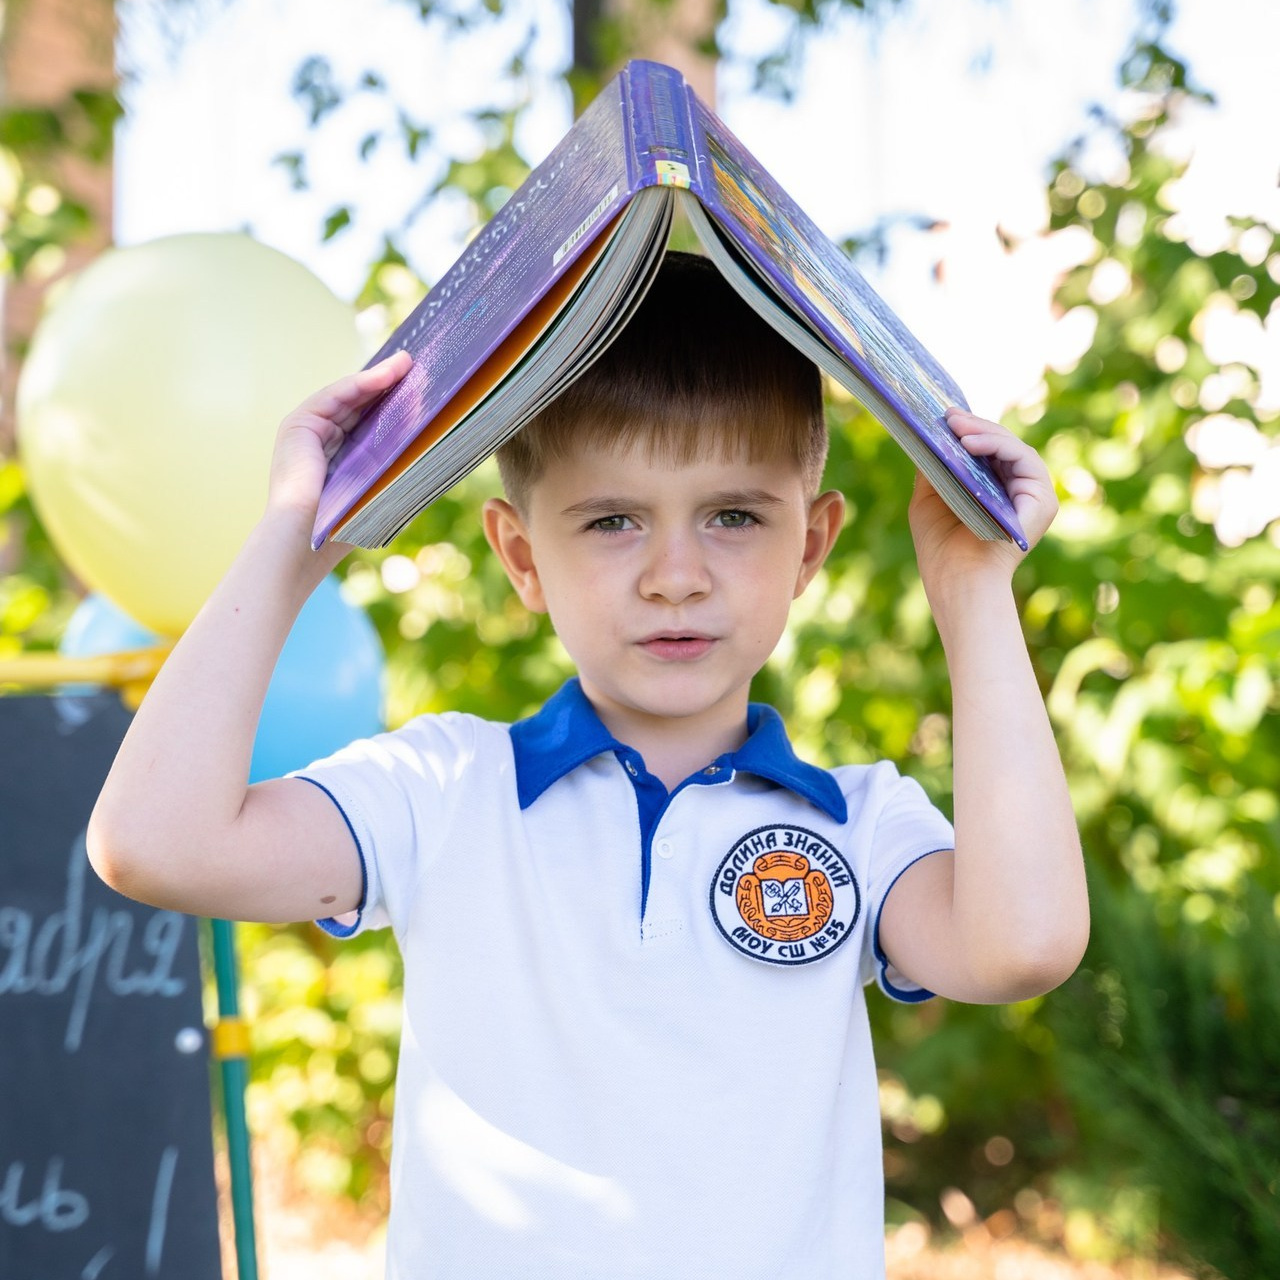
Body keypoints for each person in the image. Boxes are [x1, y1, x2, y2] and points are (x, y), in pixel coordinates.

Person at [88, 251, 1087, 1279]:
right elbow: (155, 844)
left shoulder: (857, 822)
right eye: (613, 520)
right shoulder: (440, 790)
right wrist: (297, 533)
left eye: (733, 515)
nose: (675, 576)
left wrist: (974, 588)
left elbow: (1023, 945)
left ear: (810, 544)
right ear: (521, 557)